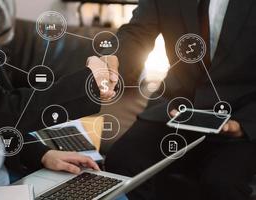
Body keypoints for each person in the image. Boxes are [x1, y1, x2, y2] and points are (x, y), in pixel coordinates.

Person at [0, 1, 119, 199]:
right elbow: (0, 109)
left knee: (113, 190)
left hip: (5, 179)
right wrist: (88, 84)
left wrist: (40, 154)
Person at [105, 0, 256, 199]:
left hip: (244, 114)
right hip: (177, 108)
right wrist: (112, 67)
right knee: (123, 159)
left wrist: (245, 123)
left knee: (220, 182)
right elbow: (137, 32)